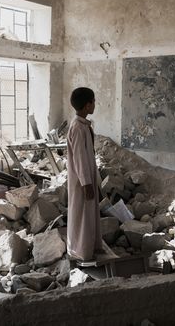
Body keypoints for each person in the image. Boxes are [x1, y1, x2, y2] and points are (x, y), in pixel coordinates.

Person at [66, 87, 102, 261]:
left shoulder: (84, 125)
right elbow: (79, 157)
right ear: (87, 105)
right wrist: (86, 183)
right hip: (81, 180)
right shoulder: (78, 128)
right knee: (81, 215)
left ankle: (91, 246)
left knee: (89, 213)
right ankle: (82, 251)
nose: (95, 104)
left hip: (86, 176)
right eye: (93, 101)